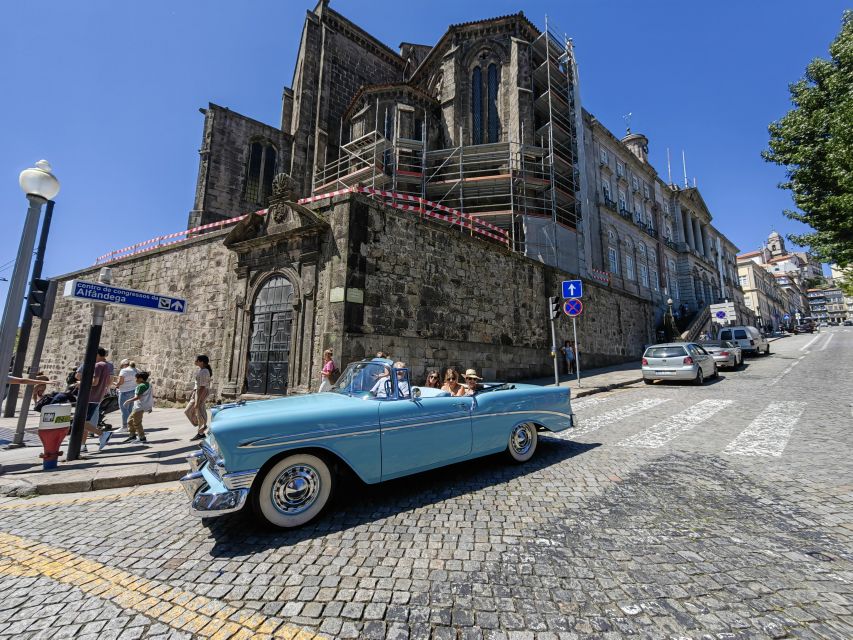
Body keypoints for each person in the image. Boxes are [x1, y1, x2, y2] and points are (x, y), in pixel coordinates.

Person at [75, 347, 113, 453]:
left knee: (81, 421)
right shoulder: (106, 365)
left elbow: (95, 382)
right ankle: (82, 445)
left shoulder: (97, 365)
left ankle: (102, 434)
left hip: (90, 397)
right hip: (97, 397)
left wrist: (81, 383)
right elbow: (108, 381)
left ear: (97, 354)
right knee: (85, 421)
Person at [121, 371, 153, 444]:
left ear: (141, 379)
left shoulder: (141, 386)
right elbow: (149, 396)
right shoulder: (148, 385)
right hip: (141, 406)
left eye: (136, 378)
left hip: (139, 407)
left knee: (137, 423)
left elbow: (137, 397)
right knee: (130, 421)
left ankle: (142, 438)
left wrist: (127, 401)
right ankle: (132, 436)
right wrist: (150, 407)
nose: (135, 380)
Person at [187, 355, 212, 441]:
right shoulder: (202, 370)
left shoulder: (204, 371)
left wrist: (197, 401)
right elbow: (198, 385)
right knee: (189, 411)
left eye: (196, 360)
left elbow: (202, 387)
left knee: (199, 410)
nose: (195, 361)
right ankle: (202, 426)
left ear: (201, 362)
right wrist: (193, 392)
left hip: (201, 392)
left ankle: (201, 431)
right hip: (197, 391)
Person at [114, 359, 138, 430]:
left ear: (124, 364)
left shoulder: (124, 370)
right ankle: (131, 426)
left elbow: (121, 382)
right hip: (133, 391)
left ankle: (125, 426)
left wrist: (116, 384)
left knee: (124, 409)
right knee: (130, 409)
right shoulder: (135, 369)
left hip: (125, 391)